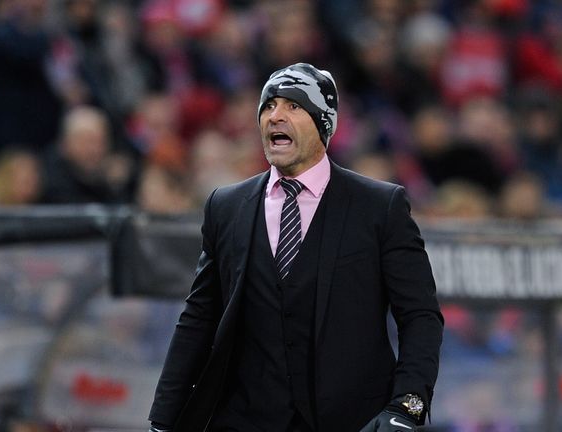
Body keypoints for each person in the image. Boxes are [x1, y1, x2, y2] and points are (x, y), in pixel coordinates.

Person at [148, 63, 443, 432]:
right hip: (243, 421)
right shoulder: (226, 206)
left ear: (323, 124)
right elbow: (198, 319)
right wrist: (163, 420)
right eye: (269, 106)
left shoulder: (379, 207)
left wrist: (407, 407)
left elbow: (420, 315)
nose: (275, 116)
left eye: (293, 106)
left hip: (351, 422)